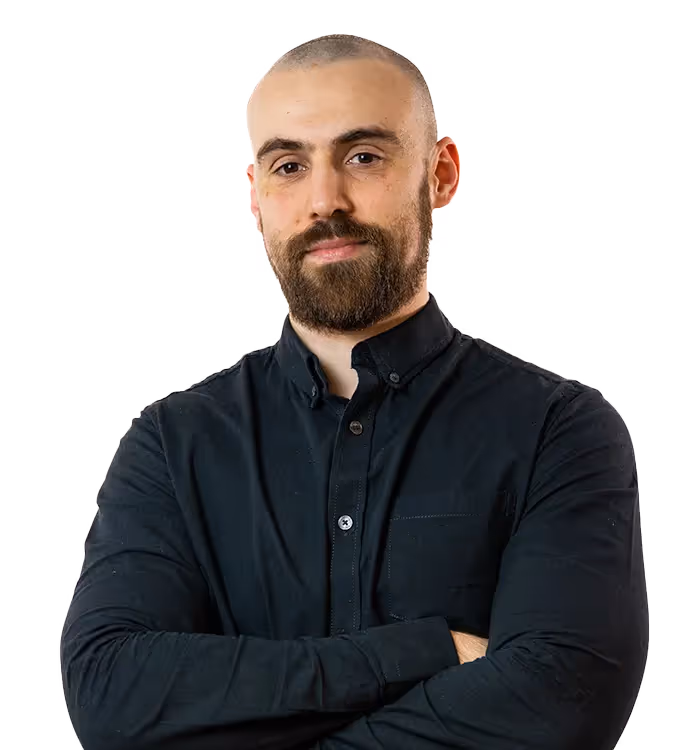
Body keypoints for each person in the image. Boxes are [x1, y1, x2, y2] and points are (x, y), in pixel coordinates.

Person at [60, 33, 648, 750]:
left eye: (363, 157)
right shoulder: (170, 445)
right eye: (288, 166)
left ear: (441, 174)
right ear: (256, 197)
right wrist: (427, 651)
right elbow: (111, 693)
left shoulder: (559, 430)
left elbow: (559, 706)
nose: (324, 201)